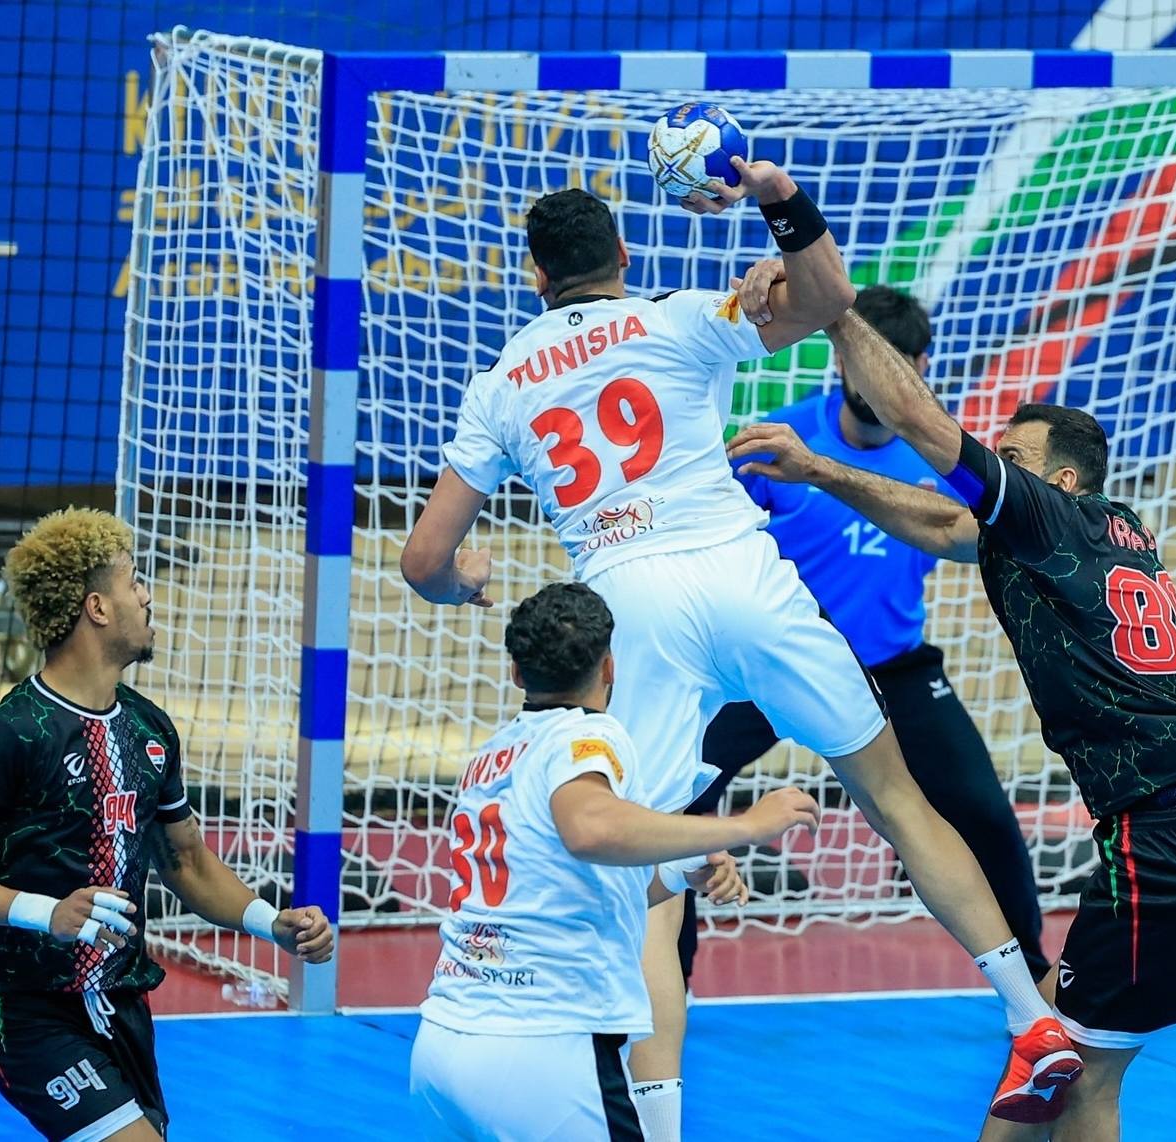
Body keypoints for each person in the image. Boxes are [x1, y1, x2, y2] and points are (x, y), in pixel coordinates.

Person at [400, 155, 1079, 1139]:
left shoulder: (500, 382)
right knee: (898, 799)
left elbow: (423, 558)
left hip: (633, 603)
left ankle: (658, 1124)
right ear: (622, 253)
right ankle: (1028, 1016)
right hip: (744, 575)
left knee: (645, 880)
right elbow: (832, 300)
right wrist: (774, 205)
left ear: (536, 276)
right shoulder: (678, 317)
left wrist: (458, 583)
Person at [727, 283, 1176, 1139]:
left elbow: (918, 422)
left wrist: (833, 310)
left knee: (1084, 1082)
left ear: (1058, 481)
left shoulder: (1048, 521)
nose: (994, 466)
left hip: (1168, 842)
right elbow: (943, 522)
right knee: (1041, 1052)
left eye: (1011, 457)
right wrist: (820, 471)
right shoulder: (1105, 528)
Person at [0, 508, 333, 1141]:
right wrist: (46, 912)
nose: (148, 596)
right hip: (34, 1015)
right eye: (135, 582)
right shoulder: (12, 732)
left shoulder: (149, 728)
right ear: (97, 607)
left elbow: (185, 862)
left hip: (124, 1008)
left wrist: (273, 923)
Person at [681, 285, 1047, 988]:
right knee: (678, 800)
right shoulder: (777, 441)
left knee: (981, 813)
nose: (877, 377)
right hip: (776, 663)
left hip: (893, 669)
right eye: (865, 359)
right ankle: (666, 989)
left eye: (898, 362)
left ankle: (1034, 983)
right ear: (841, 359)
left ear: (917, 367)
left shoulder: (948, 461)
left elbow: (993, 536)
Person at [410, 581, 817, 1140]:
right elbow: (591, 829)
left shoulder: (492, 754)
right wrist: (748, 825)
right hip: (546, 1047)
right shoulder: (589, 734)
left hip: (441, 1042)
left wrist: (681, 870)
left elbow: (567, 881)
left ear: (517, 673)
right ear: (609, 668)